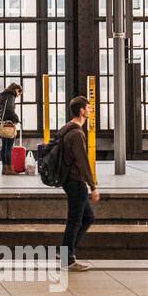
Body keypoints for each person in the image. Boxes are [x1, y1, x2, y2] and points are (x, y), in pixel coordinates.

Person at [55, 95, 100, 272]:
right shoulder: (76, 134)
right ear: (81, 111)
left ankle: (65, 250)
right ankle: (67, 258)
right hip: (75, 181)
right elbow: (83, 162)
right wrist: (93, 186)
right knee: (75, 220)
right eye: (88, 108)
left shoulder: (66, 128)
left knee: (88, 217)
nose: (90, 110)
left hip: (69, 180)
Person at [0, 82, 24, 175]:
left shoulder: (3, 96)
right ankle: (10, 169)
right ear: (16, 90)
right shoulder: (11, 96)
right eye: (19, 93)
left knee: (4, 147)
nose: (18, 95)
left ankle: (4, 169)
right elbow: (10, 110)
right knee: (9, 148)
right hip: (9, 125)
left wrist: (2, 117)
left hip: (3, 124)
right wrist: (17, 119)